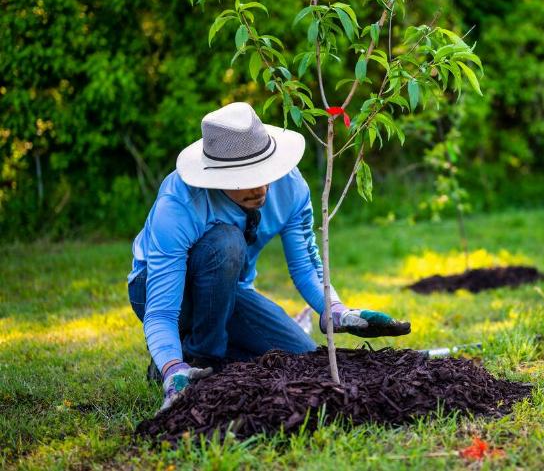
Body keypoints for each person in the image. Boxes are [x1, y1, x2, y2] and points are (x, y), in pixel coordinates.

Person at [127, 102, 410, 410]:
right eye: (244, 177)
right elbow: (161, 311)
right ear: (216, 177)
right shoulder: (180, 204)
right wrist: (172, 368)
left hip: (228, 292)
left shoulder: (290, 187)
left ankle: (197, 352)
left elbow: (306, 265)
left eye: (264, 172)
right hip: (160, 292)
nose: (260, 186)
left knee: (299, 355)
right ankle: (192, 359)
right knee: (226, 242)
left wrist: (336, 311)